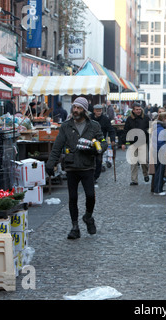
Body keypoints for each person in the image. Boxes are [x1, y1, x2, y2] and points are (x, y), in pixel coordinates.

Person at [46, 97, 106, 239]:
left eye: (79, 108)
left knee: (90, 195)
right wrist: (51, 162)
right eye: (74, 107)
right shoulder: (66, 126)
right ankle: (75, 227)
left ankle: (88, 216)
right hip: (71, 166)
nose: (76, 110)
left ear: (84, 110)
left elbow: (103, 142)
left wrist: (96, 149)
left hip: (87, 166)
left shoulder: (94, 125)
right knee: (72, 198)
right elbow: (57, 146)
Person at [122, 102, 150, 186]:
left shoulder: (146, 118)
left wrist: (145, 132)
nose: (138, 111)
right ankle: (134, 180)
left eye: (139, 109)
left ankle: (146, 174)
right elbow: (125, 131)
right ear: (133, 110)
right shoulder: (129, 119)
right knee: (133, 162)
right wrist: (123, 142)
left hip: (143, 142)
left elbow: (150, 129)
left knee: (144, 161)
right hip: (132, 143)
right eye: (136, 109)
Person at [91, 104, 116, 182]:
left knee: (98, 160)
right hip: (90, 141)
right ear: (94, 111)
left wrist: (112, 140)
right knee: (90, 159)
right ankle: (89, 176)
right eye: (97, 111)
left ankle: (95, 177)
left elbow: (111, 130)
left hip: (100, 142)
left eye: (100, 111)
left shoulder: (105, 119)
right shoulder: (89, 118)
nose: (99, 112)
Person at [151, 112, 166, 195]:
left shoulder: (157, 128)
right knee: (160, 171)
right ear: (163, 119)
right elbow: (161, 143)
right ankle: (158, 190)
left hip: (157, 152)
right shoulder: (160, 129)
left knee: (159, 171)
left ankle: (157, 188)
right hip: (160, 152)